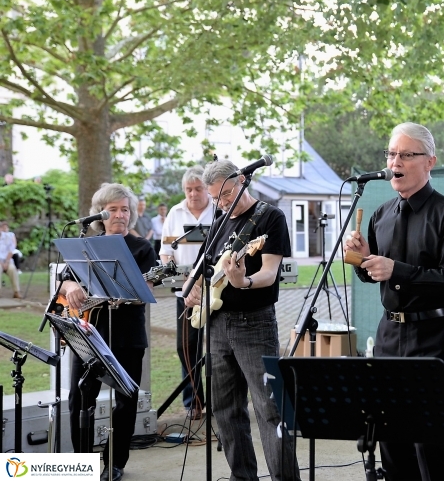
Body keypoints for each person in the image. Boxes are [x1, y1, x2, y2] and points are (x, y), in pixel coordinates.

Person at [343, 122, 444, 481]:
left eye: (405, 154)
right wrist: (363, 260)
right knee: (390, 437)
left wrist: (397, 269)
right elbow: (373, 274)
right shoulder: (381, 214)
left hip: (431, 333)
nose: (394, 162)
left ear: (429, 162)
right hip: (388, 333)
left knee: (428, 442)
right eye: (390, 154)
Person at [182, 159, 300, 481]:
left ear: (242, 181)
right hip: (217, 324)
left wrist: (243, 281)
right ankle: (242, 476)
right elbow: (202, 266)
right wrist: (191, 288)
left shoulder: (270, 217)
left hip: (254, 323)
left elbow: (269, 273)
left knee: (269, 409)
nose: (222, 202)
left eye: (226, 194)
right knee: (225, 409)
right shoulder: (220, 222)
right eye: (215, 198)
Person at [58, 183, 157, 481]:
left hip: (128, 335)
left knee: (126, 400)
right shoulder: (87, 244)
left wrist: (128, 292)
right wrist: (71, 286)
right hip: (87, 334)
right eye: (113, 209)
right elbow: (65, 280)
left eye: (125, 209)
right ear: (99, 214)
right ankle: (82, 463)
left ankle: (114, 461)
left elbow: (147, 290)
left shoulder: (142, 248)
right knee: (80, 398)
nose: (120, 215)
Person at [159, 168, 215, 419]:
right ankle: (194, 400)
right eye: (188, 189)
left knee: (218, 348)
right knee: (187, 346)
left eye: (198, 188)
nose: (193, 194)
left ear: (207, 189)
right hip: (186, 291)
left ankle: (219, 400)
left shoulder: (219, 209)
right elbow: (165, 252)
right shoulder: (175, 212)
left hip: (217, 289)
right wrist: (176, 275)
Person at [0, 221, 21, 298]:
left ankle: (16, 291)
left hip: (7, 260)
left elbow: (11, 249)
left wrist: (7, 262)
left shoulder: (8, 236)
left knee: (13, 269)